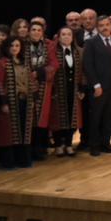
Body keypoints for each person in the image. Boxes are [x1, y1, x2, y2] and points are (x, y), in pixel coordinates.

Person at [2, 33, 46, 167]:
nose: (14, 48)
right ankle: (11, 160)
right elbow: (0, 83)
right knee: (12, 131)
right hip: (11, 100)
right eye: (11, 45)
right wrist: (4, 102)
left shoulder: (24, 63)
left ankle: (24, 159)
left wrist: (33, 98)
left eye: (17, 45)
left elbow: (31, 81)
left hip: (25, 100)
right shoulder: (2, 63)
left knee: (25, 130)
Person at [82, 17, 111, 155]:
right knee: (96, 116)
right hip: (99, 86)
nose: (105, 27)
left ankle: (106, 143)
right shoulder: (91, 42)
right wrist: (96, 85)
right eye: (101, 25)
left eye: (107, 24)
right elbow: (88, 65)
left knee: (110, 115)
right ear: (97, 27)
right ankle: (94, 145)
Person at [42, 25, 83, 156]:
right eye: (63, 34)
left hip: (73, 90)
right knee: (58, 119)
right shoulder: (53, 52)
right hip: (58, 91)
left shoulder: (77, 52)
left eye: (69, 34)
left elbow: (81, 72)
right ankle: (59, 144)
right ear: (58, 37)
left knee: (72, 118)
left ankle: (69, 144)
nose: (66, 37)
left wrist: (81, 88)